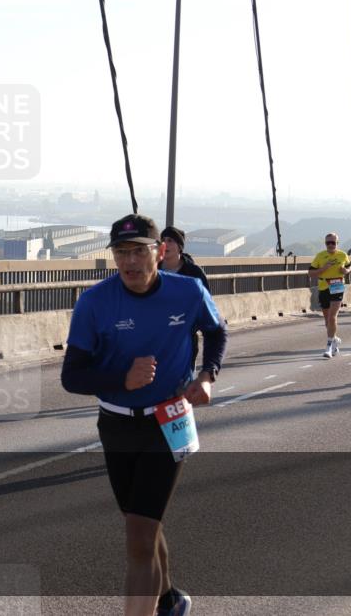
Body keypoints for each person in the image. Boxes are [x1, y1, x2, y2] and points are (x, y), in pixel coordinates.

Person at [62, 214, 227, 616]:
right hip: (116, 423)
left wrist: (208, 375)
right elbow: (71, 376)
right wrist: (122, 377)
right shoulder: (95, 302)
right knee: (142, 524)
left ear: (162, 251)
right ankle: (169, 598)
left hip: (167, 419)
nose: (130, 262)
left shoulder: (188, 291)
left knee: (138, 534)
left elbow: (217, 330)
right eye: (121, 253)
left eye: (139, 251)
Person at [159, 226, 210, 371]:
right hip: (156, 338)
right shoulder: (152, 270)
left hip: (184, 339)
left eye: (170, 240)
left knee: (183, 385)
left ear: (179, 246)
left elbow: (205, 304)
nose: (165, 244)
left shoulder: (193, 273)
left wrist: (192, 326)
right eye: (163, 240)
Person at [308, 233, 351, 358]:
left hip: (337, 286)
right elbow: (310, 273)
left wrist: (346, 271)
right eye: (328, 243)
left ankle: (328, 346)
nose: (331, 245)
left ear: (337, 243)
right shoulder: (320, 256)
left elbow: (349, 267)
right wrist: (323, 269)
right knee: (327, 321)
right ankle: (334, 340)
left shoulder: (342, 255)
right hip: (324, 287)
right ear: (325, 244)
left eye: (333, 242)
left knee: (333, 317)